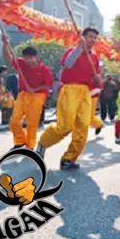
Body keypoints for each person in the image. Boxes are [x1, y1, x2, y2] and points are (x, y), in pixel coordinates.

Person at [36, 27, 101, 170]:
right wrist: (79, 48)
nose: (93, 40)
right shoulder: (72, 51)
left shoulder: (94, 58)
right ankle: (43, 142)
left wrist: (97, 79)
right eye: (90, 36)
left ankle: (69, 158)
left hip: (85, 92)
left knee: (83, 126)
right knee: (65, 126)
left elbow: (97, 79)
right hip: (69, 89)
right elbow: (67, 64)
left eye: (95, 38)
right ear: (83, 37)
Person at [2, 39, 54, 150]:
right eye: (25, 58)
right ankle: (20, 140)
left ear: (35, 57)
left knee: (32, 122)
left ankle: (30, 145)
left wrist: (35, 89)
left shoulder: (44, 69)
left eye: (30, 58)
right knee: (14, 120)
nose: (27, 60)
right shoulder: (20, 63)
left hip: (38, 96)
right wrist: (5, 45)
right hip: (23, 94)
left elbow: (48, 84)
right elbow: (8, 57)